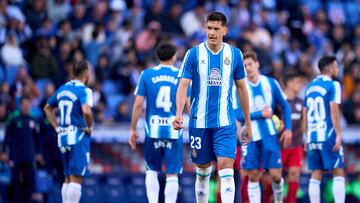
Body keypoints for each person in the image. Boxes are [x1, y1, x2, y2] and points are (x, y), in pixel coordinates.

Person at [173, 11, 252, 203]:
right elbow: (183, 85)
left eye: (216, 29)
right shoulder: (193, 54)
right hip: (199, 122)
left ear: (225, 30)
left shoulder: (234, 55)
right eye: (209, 28)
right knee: (203, 171)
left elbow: (242, 88)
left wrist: (248, 122)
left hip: (225, 122)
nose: (212, 32)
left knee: (226, 168)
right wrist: (178, 114)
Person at [129, 42, 189, 203]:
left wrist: (132, 129)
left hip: (153, 130)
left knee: (152, 170)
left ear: (158, 56)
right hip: (174, 129)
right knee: (172, 173)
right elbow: (189, 104)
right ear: (174, 56)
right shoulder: (181, 75)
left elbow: (138, 104)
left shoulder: (146, 75)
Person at [235, 52, 292, 203]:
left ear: (257, 64)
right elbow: (237, 115)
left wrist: (288, 129)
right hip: (249, 136)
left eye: (250, 64)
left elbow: (285, 105)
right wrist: (260, 114)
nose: (247, 68)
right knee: (253, 175)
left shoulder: (271, 83)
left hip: (269, 134)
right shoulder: (240, 87)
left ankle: (279, 200)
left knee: (276, 175)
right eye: (244, 66)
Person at [43, 61, 93, 203]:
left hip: (63, 136)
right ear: (86, 74)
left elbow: (47, 108)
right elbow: (86, 111)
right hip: (77, 135)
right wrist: (89, 126)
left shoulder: (62, 89)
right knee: (76, 177)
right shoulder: (85, 90)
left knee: (67, 177)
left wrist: (57, 127)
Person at [303, 56, 345, 203]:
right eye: (336, 66)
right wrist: (338, 134)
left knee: (316, 172)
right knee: (338, 170)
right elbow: (334, 110)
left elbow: (305, 113)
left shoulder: (309, 87)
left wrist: (306, 136)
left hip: (313, 135)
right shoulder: (334, 85)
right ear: (330, 68)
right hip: (328, 134)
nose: (337, 69)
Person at [1, 96, 43, 203]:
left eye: (28, 106)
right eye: (24, 106)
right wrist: (5, 152)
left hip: (30, 155)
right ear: (20, 106)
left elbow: (37, 138)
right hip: (16, 156)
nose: (26, 108)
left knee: (30, 182)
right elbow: (7, 137)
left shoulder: (33, 119)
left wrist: (38, 152)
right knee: (15, 182)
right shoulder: (13, 118)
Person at [280, 71, 305, 203]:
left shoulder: (302, 102)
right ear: (289, 83)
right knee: (273, 177)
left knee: (294, 175)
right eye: (297, 82)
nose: (300, 85)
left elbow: (304, 125)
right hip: (279, 146)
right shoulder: (278, 103)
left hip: (296, 146)